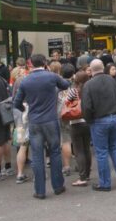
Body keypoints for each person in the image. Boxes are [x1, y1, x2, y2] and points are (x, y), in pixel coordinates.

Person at [14, 54, 71, 199]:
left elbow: (16, 102)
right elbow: (66, 85)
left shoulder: (25, 81)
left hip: (34, 122)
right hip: (51, 120)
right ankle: (58, 186)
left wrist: (27, 109)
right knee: (55, 152)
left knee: (37, 156)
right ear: (45, 63)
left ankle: (40, 191)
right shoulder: (51, 76)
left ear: (30, 64)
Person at [81, 59, 116, 191]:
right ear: (103, 67)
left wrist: (89, 120)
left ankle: (105, 183)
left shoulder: (88, 85)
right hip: (114, 117)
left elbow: (86, 107)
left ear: (91, 70)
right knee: (115, 147)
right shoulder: (112, 80)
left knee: (101, 152)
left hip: (98, 120)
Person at [64, 71, 91, 186]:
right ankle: (88, 174)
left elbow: (66, 103)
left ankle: (82, 177)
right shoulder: (89, 89)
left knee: (78, 150)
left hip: (75, 122)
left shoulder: (73, 91)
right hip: (88, 122)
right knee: (86, 148)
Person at [57, 64, 75, 176]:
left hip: (62, 113)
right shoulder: (76, 84)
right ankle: (81, 164)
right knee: (77, 141)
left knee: (65, 140)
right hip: (76, 113)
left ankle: (67, 166)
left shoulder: (58, 85)